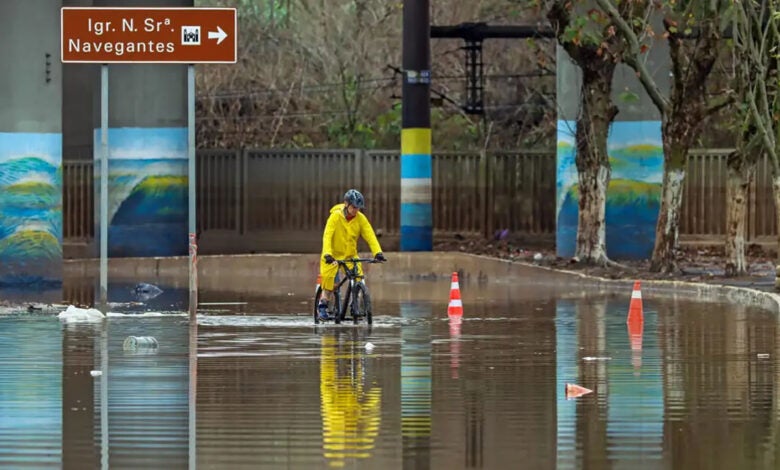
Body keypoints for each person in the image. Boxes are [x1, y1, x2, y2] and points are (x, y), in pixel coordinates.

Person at [318, 189, 386, 321]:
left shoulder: (360, 219)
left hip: (350, 256)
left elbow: (370, 235)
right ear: (346, 204)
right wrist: (327, 254)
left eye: (358, 208)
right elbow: (327, 236)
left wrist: (378, 252)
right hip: (332, 256)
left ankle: (355, 304)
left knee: (359, 278)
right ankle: (322, 306)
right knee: (330, 283)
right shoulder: (335, 217)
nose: (356, 210)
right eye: (354, 207)